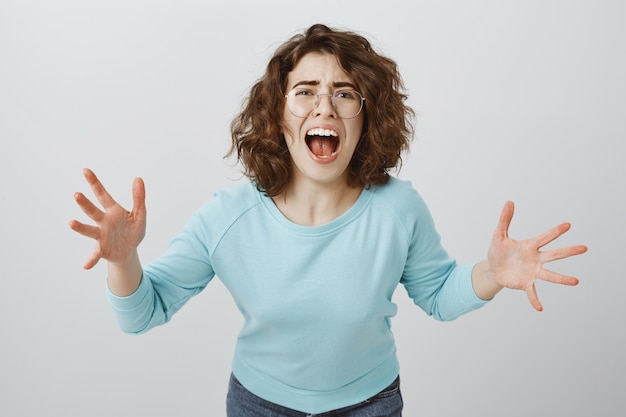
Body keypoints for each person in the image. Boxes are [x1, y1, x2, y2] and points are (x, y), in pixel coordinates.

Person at [69, 24, 587, 417]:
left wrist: (491, 275)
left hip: (372, 403)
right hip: (259, 405)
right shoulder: (227, 217)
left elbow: (439, 296)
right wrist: (125, 260)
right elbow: (142, 313)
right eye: (305, 91)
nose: (325, 105)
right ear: (277, 114)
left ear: (367, 117)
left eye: (344, 92)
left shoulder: (399, 209)